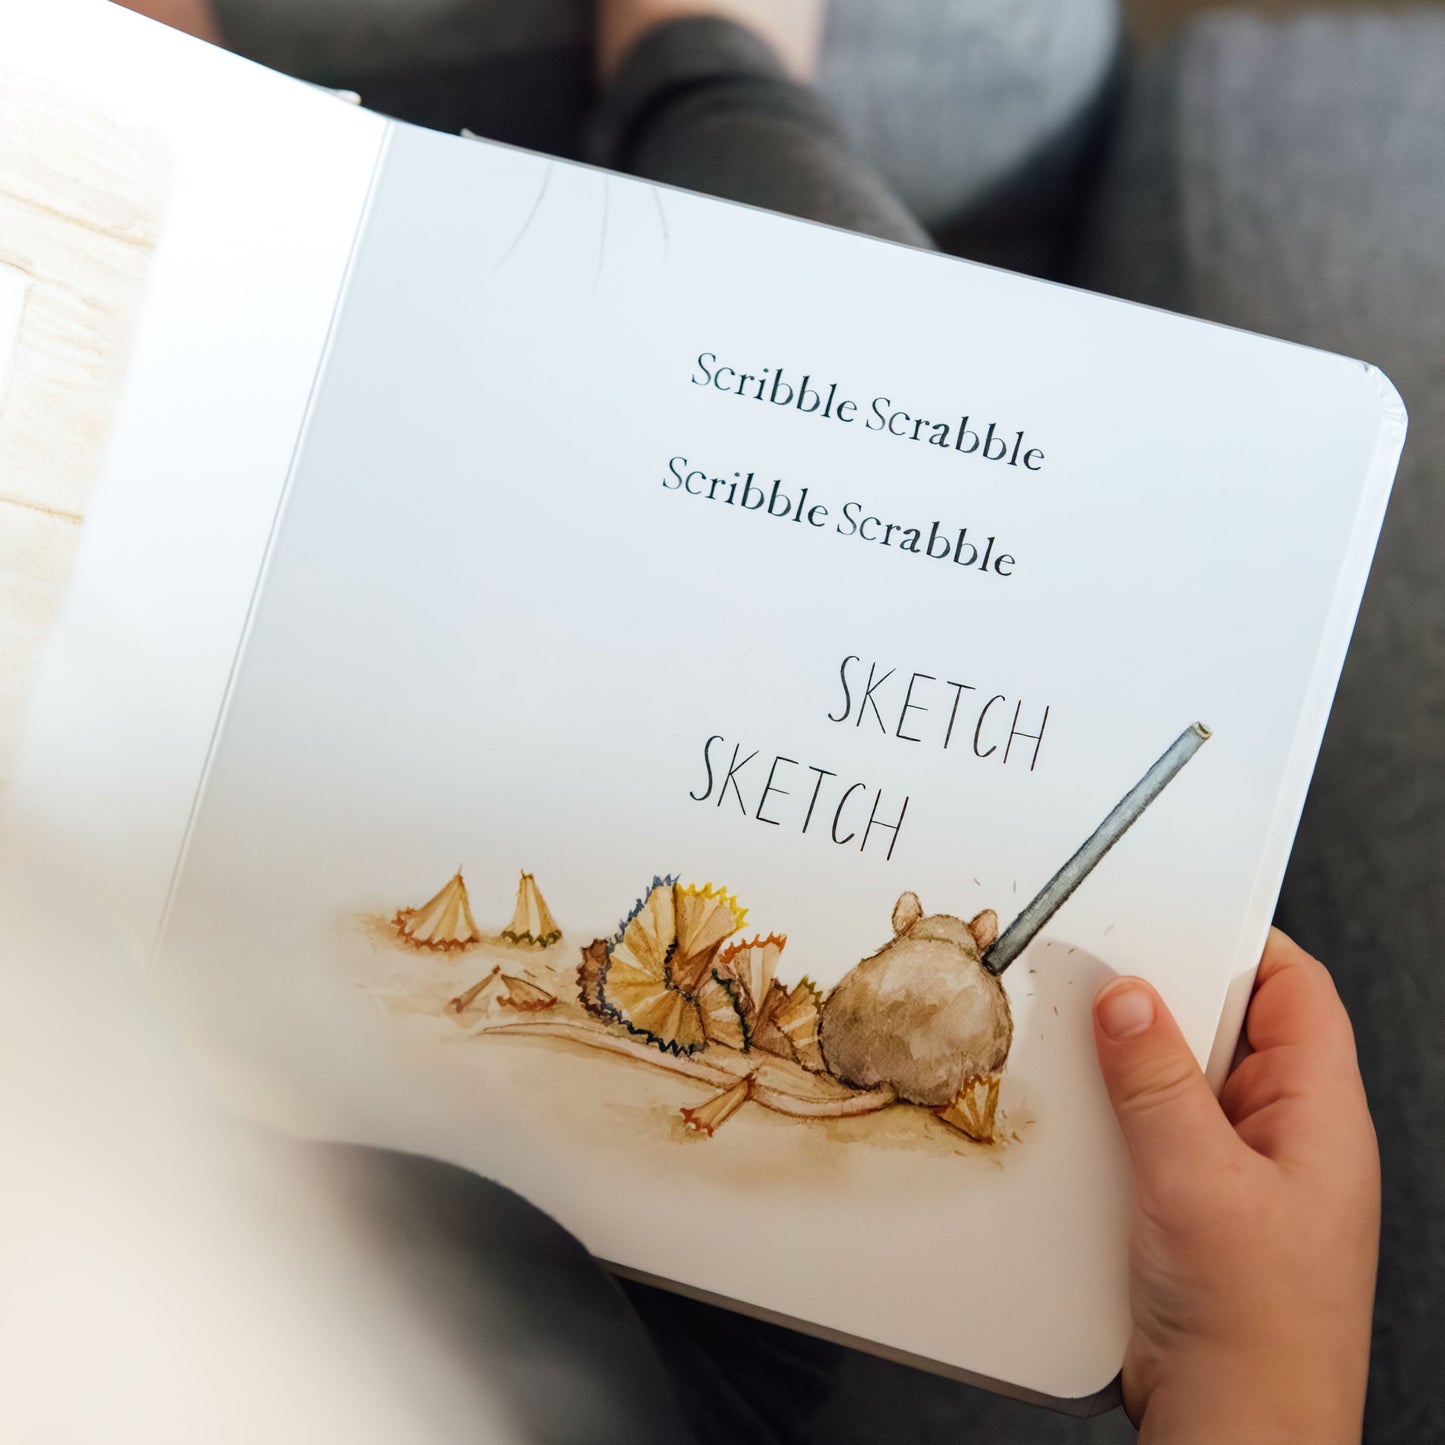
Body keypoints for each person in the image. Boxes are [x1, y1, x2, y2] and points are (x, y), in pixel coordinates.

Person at [101, 2, 1396, 1441]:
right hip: (630, 1345)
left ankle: (183, 138)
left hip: (189, 1182)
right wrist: (1260, 1368)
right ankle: (693, 65)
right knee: (870, 424)